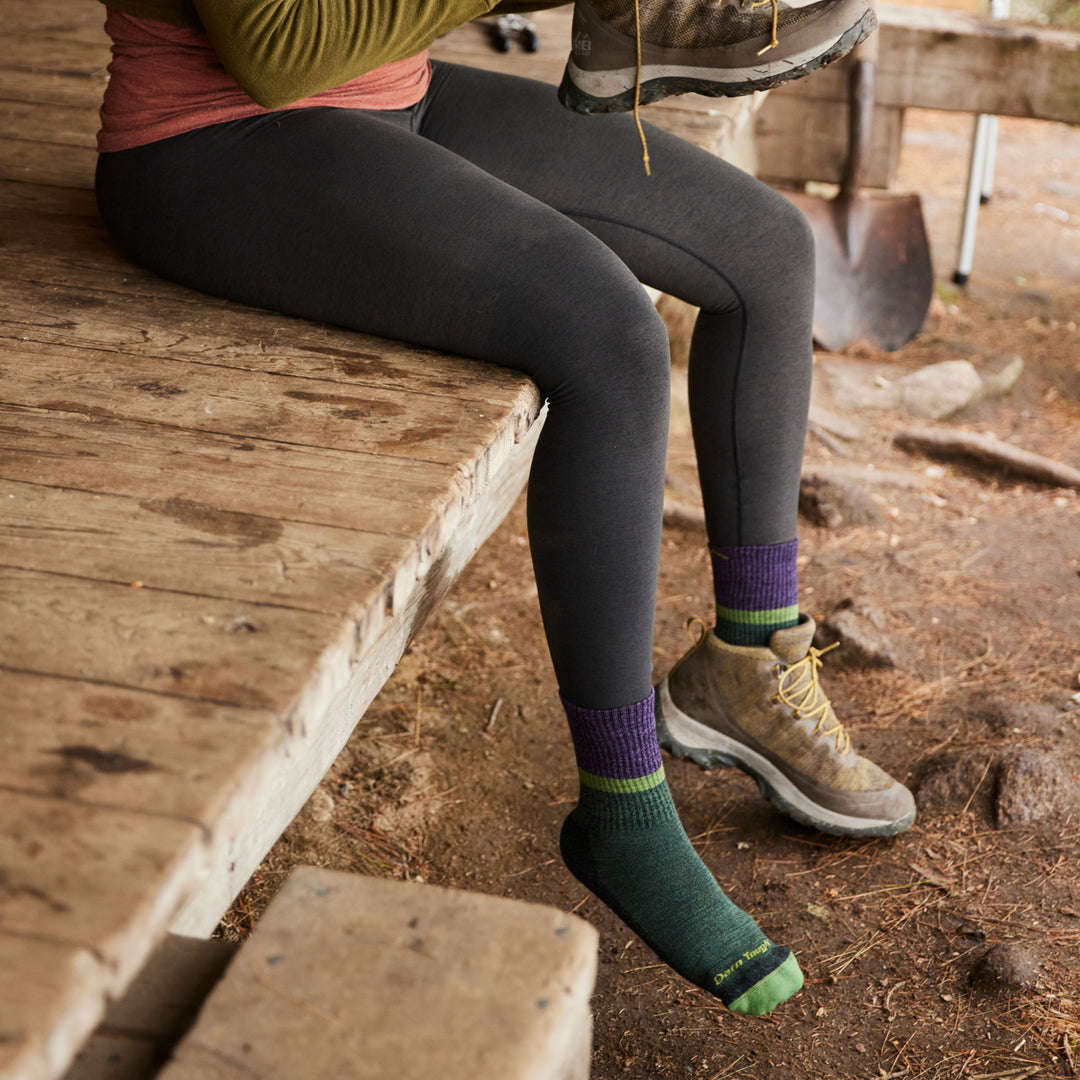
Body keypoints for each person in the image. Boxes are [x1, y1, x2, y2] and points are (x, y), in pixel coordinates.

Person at [93, 0, 913, 1018]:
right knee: (608, 336)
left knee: (767, 249)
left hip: (394, 99)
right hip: (218, 145)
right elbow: (276, 49)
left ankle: (748, 663)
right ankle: (623, 806)